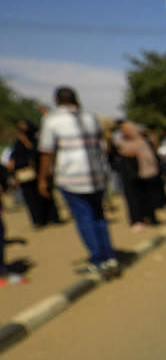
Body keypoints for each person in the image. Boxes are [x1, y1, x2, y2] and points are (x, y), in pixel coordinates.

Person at [37, 87, 118, 278]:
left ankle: (98, 259)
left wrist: (42, 179)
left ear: (57, 100)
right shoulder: (90, 117)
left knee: (85, 218)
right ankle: (109, 257)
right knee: (99, 217)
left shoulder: (52, 120)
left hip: (71, 178)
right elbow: (102, 146)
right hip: (97, 176)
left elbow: (46, 153)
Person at [7, 119, 61, 228]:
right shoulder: (17, 143)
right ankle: (38, 220)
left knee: (44, 194)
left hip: (38, 172)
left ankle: (52, 217)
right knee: (30, 198)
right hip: (24, 175)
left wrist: (26, 143)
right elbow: (13, 157)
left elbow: (38, 153)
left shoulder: (36, 140)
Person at [111, 120, 162, 230]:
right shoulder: (119, 144)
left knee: (147, 197)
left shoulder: (142, 142)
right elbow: (113, 158)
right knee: (132, 199)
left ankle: (150, 217)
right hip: (128, 175)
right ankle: (137, 220)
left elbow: (150, 158)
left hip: (144, 174)